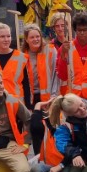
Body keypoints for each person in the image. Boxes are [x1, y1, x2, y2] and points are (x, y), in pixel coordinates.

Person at [23, 23, 60, 154]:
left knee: (50, 127)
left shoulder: (50, 50)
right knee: (34, 128)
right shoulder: (22, 54)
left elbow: (56, 74)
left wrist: (54, 95)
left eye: (37, 36)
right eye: (32, 37)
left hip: (49, 96)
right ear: (26, 39)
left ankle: (51, 155)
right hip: (31, 98)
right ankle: (38, 155)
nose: (35, 39)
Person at [0, 22, 31, 104]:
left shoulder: (21, 57)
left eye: (8, 36)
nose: (6, 39)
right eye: (2, 37)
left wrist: (29, 106)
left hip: (17, 104)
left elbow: (26, 84)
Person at [56, 12, 87, 101]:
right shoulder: (66, 48)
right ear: (75, 31)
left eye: (85, 30)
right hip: (73, 100)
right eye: (79, 30)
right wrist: (63, 54)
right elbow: (62, 76)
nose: (82, 33)